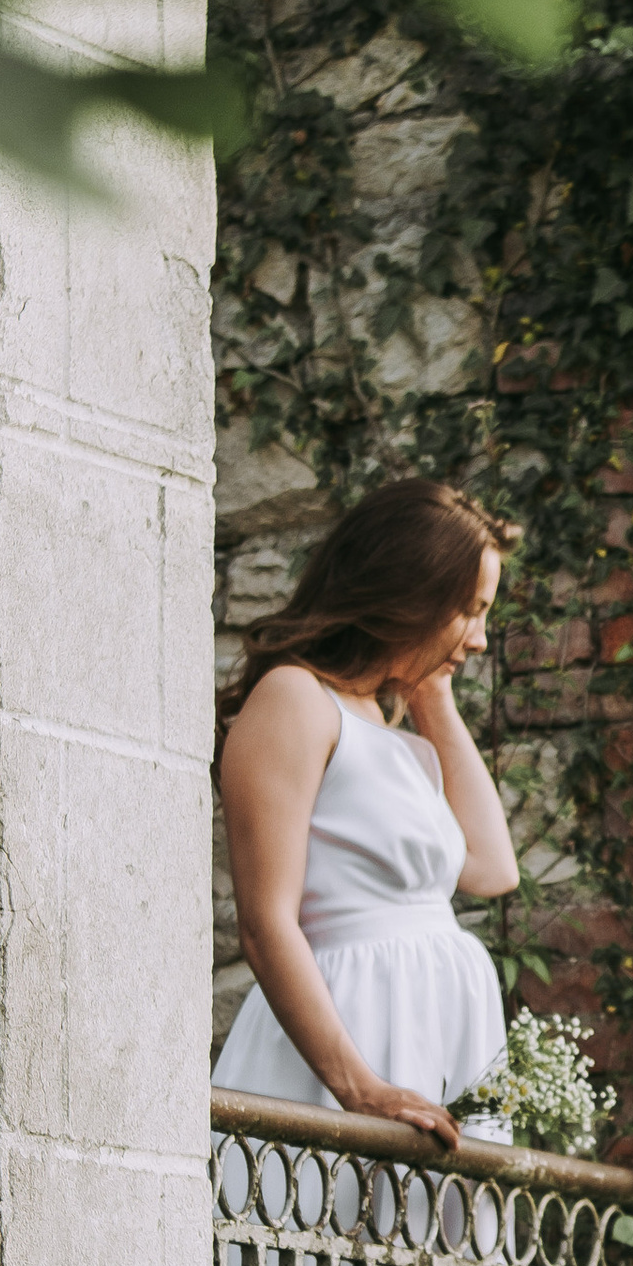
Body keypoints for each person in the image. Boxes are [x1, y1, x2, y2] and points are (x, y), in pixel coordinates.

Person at [213, 476, 520, 1152]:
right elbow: (267, 923)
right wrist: (360, 1087)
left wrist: (431, 692)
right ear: (411, 594)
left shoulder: (397, 736)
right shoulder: (294, 699)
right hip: (354, 1042)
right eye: (470, 610)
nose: (480, 640)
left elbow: (494, 869)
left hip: (437, 1032)